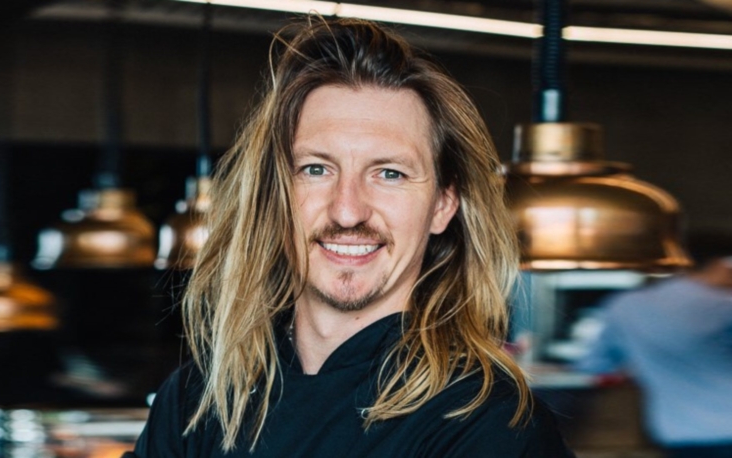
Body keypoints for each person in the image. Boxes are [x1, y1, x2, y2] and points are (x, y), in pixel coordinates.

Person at [133, 17, 574, 457]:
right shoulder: (197, 399)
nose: (347, 211)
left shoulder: (490, 423)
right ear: (273, 195)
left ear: (443, 204)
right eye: (316, 169)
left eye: (389, 173)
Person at [576, 232, 732, 458]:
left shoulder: (625, 305)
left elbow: (594, 364)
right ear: (721, 264)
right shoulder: (725, 307)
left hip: (680, 434)